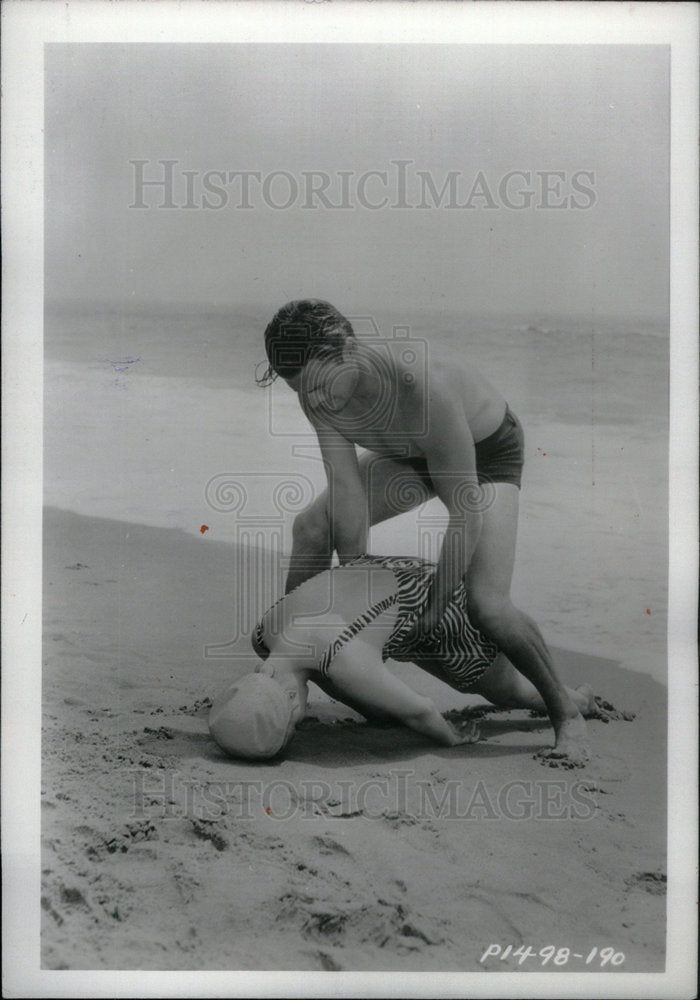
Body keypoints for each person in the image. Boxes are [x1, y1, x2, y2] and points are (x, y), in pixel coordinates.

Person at [256, 299, 589, 765]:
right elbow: (346, 488)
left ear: (349, 350)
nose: (317, 400)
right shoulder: (315, 388)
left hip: (485, 453)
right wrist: (356, 579)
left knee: (486, 605)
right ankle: (295, 672)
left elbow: (465, 513)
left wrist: (434, 608)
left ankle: (565, 711)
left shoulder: (420, 385)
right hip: (411, 456)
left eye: (321, 386)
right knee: (311, 527)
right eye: (302, 391)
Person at [209, 556, 596, 761]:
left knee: (502, 689)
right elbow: (325, 664)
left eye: (294, 726)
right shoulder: (266, 634)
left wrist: (451, 738)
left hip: (437, 603)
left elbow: (421, 711)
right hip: (389, 572)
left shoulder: (346, 662)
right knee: (366, 682)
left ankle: (576, 700)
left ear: (293, 703)